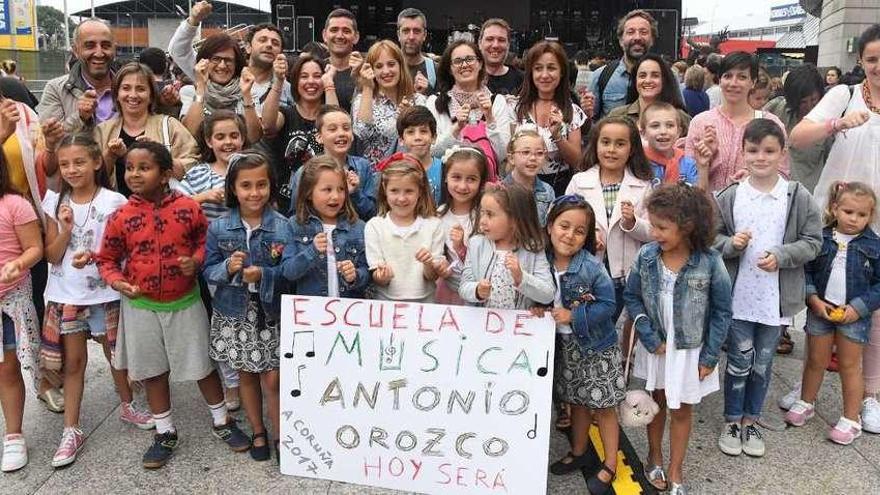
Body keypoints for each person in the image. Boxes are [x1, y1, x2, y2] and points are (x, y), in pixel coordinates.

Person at [96, 141, 251, 469]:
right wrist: (116, 281)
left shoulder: (187, 208)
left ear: (166, 174)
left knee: (202, 366)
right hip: (140, 305)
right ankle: (165, 431)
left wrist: (195, 262)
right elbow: (106, 258)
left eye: (144, 168)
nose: (134, 174)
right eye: (129, 168)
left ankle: (222, 421)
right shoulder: (121, 216)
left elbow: (203, 243)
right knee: (153, 371)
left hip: (185, 301)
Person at [41, 134, 155, 468]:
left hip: (106, 292)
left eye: (78, 162)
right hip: (67, 294)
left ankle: (128, 405)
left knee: (116, 354)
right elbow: (50, 254)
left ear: (96, 162)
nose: (71, 170)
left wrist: (94, 257)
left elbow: (124, 249)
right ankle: (71, 430)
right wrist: (64, 230)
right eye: (64, 164)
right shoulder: (54, 200)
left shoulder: (114, 201)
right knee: (74, 363)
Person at [789, 24, 880, 430]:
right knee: (824, 293)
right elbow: (798, 136)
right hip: (836, 213)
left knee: (872, 305)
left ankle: (870, 395)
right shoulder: (843, 95)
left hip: (876, 219)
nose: (879, 66)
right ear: (860, 60)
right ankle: (807, 386)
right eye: (873, 59)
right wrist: (837, 125)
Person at [713, 119, 822, 458]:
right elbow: (711, 240)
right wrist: (731, 244)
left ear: (782, 154)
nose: (761, 157)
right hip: (738, 298)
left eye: (769, 151)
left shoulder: (795, 195)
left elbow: (814, 241)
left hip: (774, 302)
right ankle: (732, 418)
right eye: (753, 150)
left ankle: (752, 419)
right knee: (738, 361)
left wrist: (782, 256)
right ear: (743, 153)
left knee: (763, 364)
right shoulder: (730, 196)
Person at [624, 183, 732, 494]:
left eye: (661, 227)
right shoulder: (646, 256)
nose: (654, 232)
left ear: (687, 227)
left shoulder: (710, 262)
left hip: (689, 350)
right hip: (655, 345)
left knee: (682, 409)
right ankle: (654, 454)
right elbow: (633, 298)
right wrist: (647, 333)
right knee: (655, 402)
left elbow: (722, 311)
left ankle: (676, 467)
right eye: (653, 224)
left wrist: (710, 356)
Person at [204, 152, 292, 462]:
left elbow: (289, 272)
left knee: (273, 377)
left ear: (271, 185)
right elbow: (208, 270)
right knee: (246, 375)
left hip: (271, 313)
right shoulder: (219, 227)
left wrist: (265, 274)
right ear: (233, 189)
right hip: (235, 314)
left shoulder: (283, 227)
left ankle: (282, 434)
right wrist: (228, 267)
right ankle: (258, 430)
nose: (254, 193)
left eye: (261, 185)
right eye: (246, 186)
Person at [785, 182, 880, 443]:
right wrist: (813, 299)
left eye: (862, 215)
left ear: (870, 216)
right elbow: (807, 271)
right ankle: (806, 402)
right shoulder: (822, 238)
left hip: (853, 316)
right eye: (848, 211)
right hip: (821, 311)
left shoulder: (874, 245)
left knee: (850, 365)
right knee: (816, 360)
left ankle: (851, 418)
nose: (854, 219)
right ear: (834, 209)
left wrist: (858, 308)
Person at [540, 196, 622, 495]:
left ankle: (610, 462)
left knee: (603, 406)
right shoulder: (541, 261)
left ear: (587, 236)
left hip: (595, 346)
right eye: (564, 226)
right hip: (563, 347)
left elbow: (609, 304)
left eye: (579, 231)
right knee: (576, 401)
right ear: (550, 226)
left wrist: (574, 315)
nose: (569, 235)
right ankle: (578, 451)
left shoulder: (590, 267)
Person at [177, 110, 248, 410]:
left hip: (244, 256)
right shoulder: (198, 174)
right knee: (216, 321)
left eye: (234, 135)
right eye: (220, 137)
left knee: (242, 319)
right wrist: (205, 196)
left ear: (243, 138)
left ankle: (246, 377)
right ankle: (230, 383)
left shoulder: (250, 167)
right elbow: (178, 207)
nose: (228, 142)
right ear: (208, 140)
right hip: (209, 260)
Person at [566, 116, 653, 326]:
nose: (611, 149)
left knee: (617, 325)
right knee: (585, 323)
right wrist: (588, 236)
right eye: (605, 142)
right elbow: (564, 220)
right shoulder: (580, 182)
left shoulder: (642, 187)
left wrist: (633, 222)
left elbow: (653, 232)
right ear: (595, 145)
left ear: (632, 149)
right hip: (585, 271)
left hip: (623, 274)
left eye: (620, 144)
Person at [685, 52, 789, 192]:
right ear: (720, 80)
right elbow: (687, 176)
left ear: (753, 82)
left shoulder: (770, 123)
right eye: (727, 76)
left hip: (753, 209)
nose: (733, 83)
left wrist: (755, 176)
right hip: (707, 208)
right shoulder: (701, 122)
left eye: (742, 77)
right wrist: (707, 161)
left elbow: (783, 174)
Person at [93, 63, 200, 197]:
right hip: (115, 213)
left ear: (151, 96)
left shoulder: (169, 125)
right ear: (117, 94)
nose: (133, 95)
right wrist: (110, 155)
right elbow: (91, 179)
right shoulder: (102, 131)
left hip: (162, 211)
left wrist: (159, 155)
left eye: (140, 89)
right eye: (126, 88)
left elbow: (194, 167)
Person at [0, 150, 44, 473]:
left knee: (8, 369)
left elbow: (35, 247)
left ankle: (13, 434)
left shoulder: (15, 204)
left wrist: (19, 263)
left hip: (10, 302)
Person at [283, 155, 370, 301]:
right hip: (310, 315)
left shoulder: (358, 227)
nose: (335, 196)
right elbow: (287, 272)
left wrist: (355, 275)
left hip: (349, 315)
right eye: (327, 190)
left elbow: (367, 274)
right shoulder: (295, 225)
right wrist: (312, 251)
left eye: (341, 189)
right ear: (309, 193)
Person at [458, 182, 555, 309]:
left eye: (490, 214)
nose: (482, 220)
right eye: (482, 213)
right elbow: (463, 287)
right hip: (481, 325)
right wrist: (477, 290)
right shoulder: (476, 244)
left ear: (514, 219)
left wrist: (522, 278)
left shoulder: (533, 249)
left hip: (517, 325)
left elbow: (548, 294)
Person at [427, 40, 514, 180]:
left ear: (480, 64)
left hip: (487, 188)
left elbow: (503, 154)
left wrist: (490, 118)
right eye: (457, 61)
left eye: (469, 59)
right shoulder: (435, 103)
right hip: (447, 185)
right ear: (449, 68)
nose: (465, 65)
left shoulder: (497, 102)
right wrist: (456, 128)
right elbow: (431, 151)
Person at [365, 158, 447, 302]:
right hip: (386, 305)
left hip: (426, 305)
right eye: (394, 191)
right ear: (385, 189)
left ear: (420, 191)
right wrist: (382, 276)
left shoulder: (434, 225)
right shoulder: (375, 226)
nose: (401, 198)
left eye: (409, 191)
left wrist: (429, 263)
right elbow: (377, 277)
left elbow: (432, 276)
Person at [514, 41, 587, 195]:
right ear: (531, 73)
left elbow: (577, 161)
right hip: (521, 188)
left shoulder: (572, 111)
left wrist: (558, 137)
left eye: (551, 68)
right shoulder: (516, 108)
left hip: (560, 187)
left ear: (561, 72)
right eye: (538, 68)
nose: (545, 75)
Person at [262, 53, 331, 213]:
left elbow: (336, 125)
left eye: (317, 76)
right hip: (286, 204)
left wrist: (330, 86)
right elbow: (268, 125)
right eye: (304, 76)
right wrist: (278, 80)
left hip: (325, 202)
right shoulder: (286, 114)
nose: (311, 82)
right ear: (295, 81)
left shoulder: (329, 114)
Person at [287, 105, 376, 220]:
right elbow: (296, 214)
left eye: (346, 128)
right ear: (319, 137)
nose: (341, 133)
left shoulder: (363, 167)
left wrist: (355, 194)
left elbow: (372, 214)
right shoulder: (305, 172)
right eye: (332, 129)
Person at [37, 18, 119, 131]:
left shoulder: (132, 90)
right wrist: (80, 117)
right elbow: (52, 141)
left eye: (105, 46)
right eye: (90, 46)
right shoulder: (56, 89)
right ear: (76, 50)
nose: (99, 53)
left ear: (114, 49)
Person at [352, 40, 424, 164]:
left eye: (391, 64)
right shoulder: (363, 99)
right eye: (379, 66)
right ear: (371, 70)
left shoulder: (418, 100)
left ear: (400, 66)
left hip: (412, 174)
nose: (386, 71)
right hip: (376, 178)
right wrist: (367, 87)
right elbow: (361, 133)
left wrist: (408, 120)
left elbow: (427, 140)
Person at [763, 63, 828, 193]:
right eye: (803, 102)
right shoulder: (776, 109)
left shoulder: (827, 124)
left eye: (813, 100)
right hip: (773, 192)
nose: (809, 106)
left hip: (808, 195)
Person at [435, 146, 488, 305]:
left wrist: (461, 248)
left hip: (479, 293)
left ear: (481, 182)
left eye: (471, 179)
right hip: (446, 292)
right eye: (456, 177)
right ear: (445, 177)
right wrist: (438, 266)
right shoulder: (438, 215)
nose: (463, 186)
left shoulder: (484, 217)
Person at [588, 9, 657, 119]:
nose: (637, 37)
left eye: (643, 32)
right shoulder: (601, 76)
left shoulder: (667, 77)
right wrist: (586, 114)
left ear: (652, 39)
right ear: (620, 40)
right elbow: (591, 125)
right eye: (631, 32)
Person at [609, 53, 691, 136]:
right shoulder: (617, 116)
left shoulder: (681, 118)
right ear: (635, 80)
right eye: (642, 76)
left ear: (664, 80)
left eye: (655, 76)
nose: (648, 80)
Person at [641, 102, 706, 189]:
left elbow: (699, 196)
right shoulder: (638, 163)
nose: (663, 131)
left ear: (678, 132)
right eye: (655, 126)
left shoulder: (688, 164)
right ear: (643, 133)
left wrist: (703, 167)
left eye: (670, 125)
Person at [503, 128, 555, 225]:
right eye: (526, 152)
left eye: (539, 153)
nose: (533, 158)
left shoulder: (548, 191)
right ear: (511, 158)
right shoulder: (500, 191)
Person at [397, 106, 442, 202]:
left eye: (423, 131)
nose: (417, 137)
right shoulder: (395, 172)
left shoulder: (445, 169)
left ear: (433, 137)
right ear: (401, 140)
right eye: (410, 132)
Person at [323, 8, 361, 114]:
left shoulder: (367, 72)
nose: (340, 36)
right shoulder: (315, 70)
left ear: (356, 37)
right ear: (324, 35)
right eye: (334, 30)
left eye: (346, 31)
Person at [479, 18, 524, 97]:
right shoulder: (468, 78)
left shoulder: (524, 81)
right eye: (490, 39)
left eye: (501, 40)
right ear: (479, 43)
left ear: (508, 45)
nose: (495, 45)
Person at [397, 8, 436, 95]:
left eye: (417, 31)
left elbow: (443, 106)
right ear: (398, 35)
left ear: (424, 35)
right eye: (406, 31)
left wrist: (429, 91)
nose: (411, 37)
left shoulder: (436, 70)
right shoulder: (385, 68)